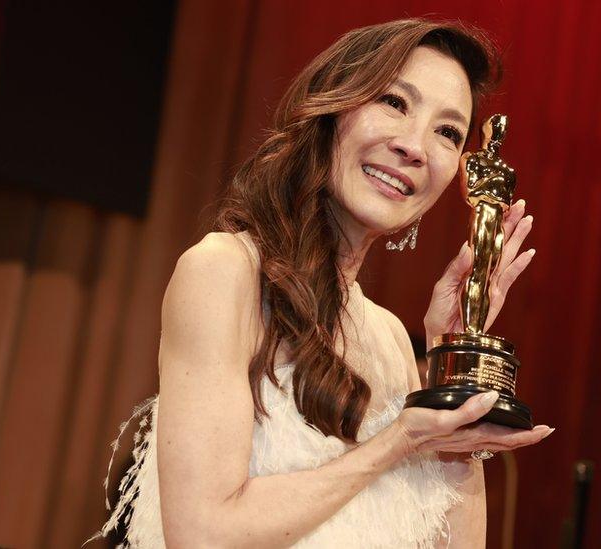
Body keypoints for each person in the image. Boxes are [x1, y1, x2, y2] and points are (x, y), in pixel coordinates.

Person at [89, 18, 554, 548]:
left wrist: (453, 389)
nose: (416, 147)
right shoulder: (224, 272)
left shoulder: (391, 340)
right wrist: (399, 440)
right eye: (395, 103)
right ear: (333, 106)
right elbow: (202, 534)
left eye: (447, 132)